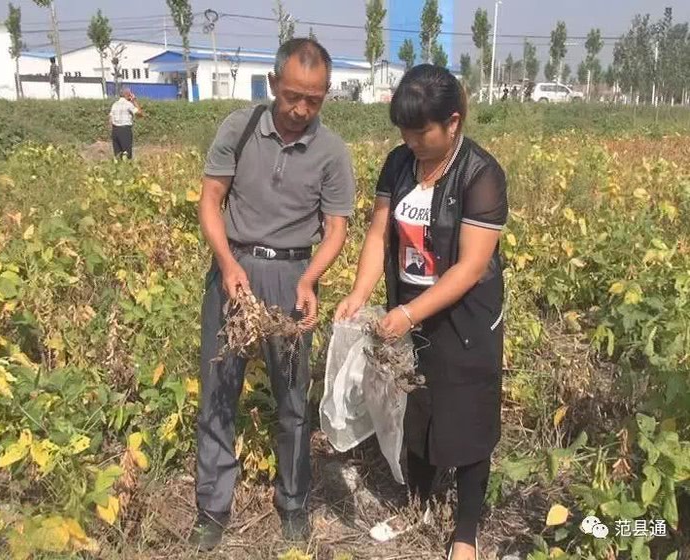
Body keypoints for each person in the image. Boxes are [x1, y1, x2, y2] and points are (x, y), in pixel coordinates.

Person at [335, 64, 507, 560]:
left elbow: (470, 267)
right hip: (408, 306)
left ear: (453, 123)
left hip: (465, 319)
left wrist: (411, 314)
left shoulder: (480, 174)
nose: (410, 141)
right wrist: (359, 292)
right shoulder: (399, 163)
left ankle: (466, 532)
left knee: (469, 418)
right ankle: (420, 503)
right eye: (404, 132)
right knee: (414, 408)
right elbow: (378, 234)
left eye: (421, 132)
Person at [192, 38, 355, 552]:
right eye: (292, 97)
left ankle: (293, 502)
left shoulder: (331, 151)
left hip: (292, 276)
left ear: (326, 94)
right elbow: (211, 201)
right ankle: (212, 507)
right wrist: (227, 263)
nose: (301, 109)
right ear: (272, 84)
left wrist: (310, 279)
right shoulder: (238, 129)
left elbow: (336, 228)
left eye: (314, 100)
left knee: (292, 398)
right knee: (219, 391)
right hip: (234, 271)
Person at [108, 88, 143, 159]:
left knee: (118, 154)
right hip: (125, 130)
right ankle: (127, 165)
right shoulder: (128, 104)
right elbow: (140, 114)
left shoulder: (115, 104)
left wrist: (113, 131)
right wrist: (134, 100)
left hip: (115, 130)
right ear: (127, 95)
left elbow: (110, 119)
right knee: (127, 153)